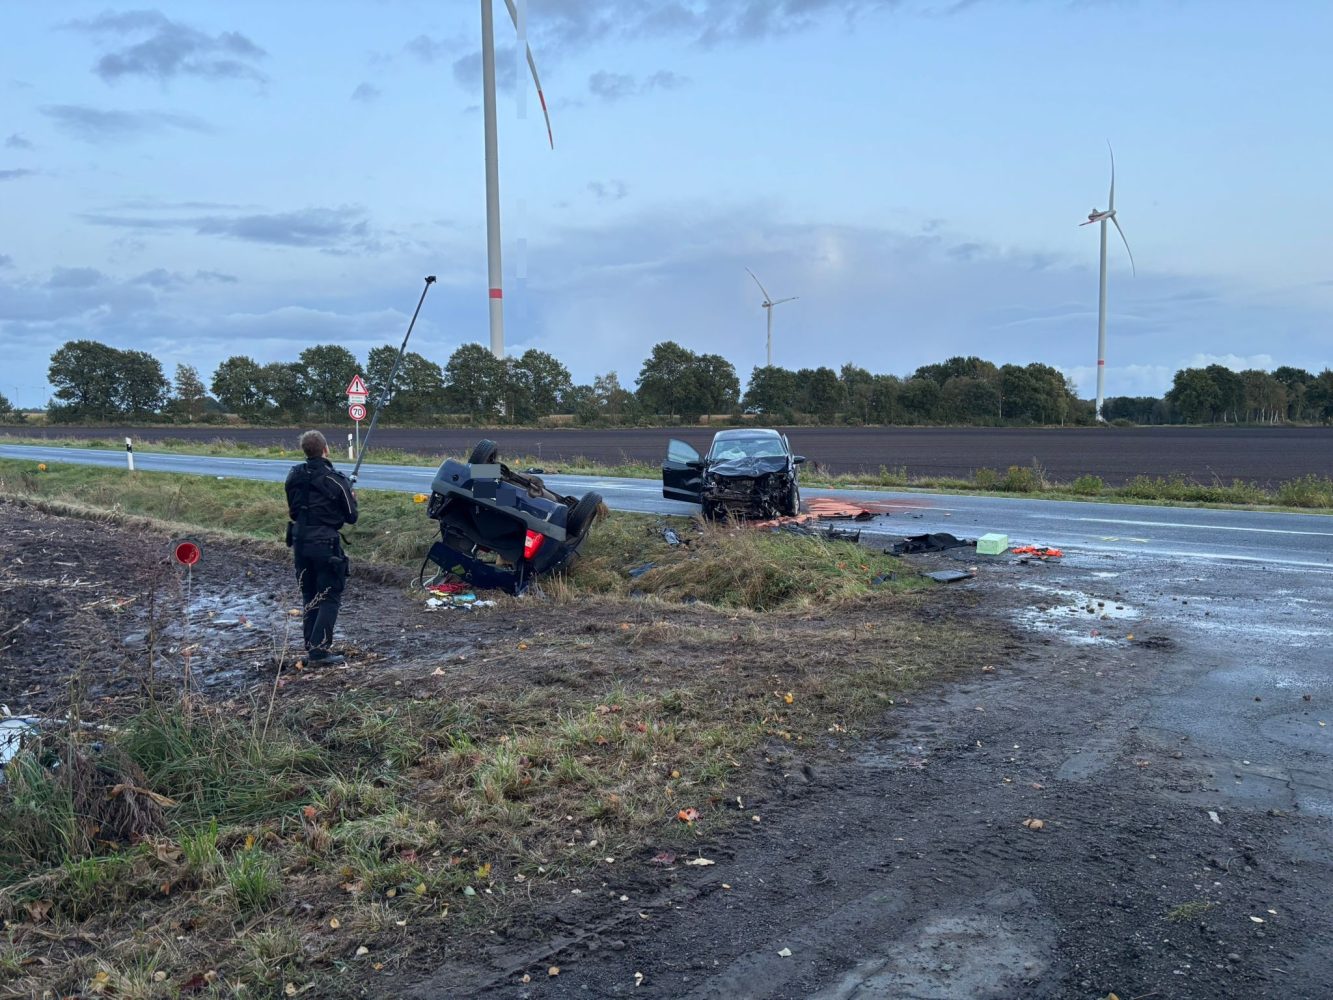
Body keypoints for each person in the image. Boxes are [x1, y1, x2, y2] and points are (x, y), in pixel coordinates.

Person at [284, 430, 358, 664]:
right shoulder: (335, 479)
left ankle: (311, 645)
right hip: (325, 543)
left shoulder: (294, 475)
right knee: (329, 595)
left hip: (299, 541)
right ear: (326, 449)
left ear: (304, 450)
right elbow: (352, 516)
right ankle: (318, 651)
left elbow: (293, 509)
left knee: (309, 593)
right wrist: (352, 497)